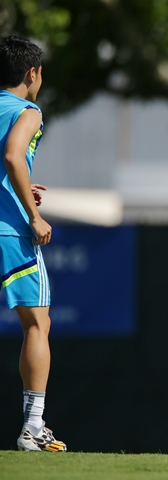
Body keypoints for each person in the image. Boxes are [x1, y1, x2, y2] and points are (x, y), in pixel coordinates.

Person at [0, 36, 66, 452]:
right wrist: (34, 213)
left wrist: (20, 186)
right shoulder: (29, 110)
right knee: (37, 324)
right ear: (32, 74)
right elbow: (12, 154)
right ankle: (33, 426)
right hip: (10, 234)